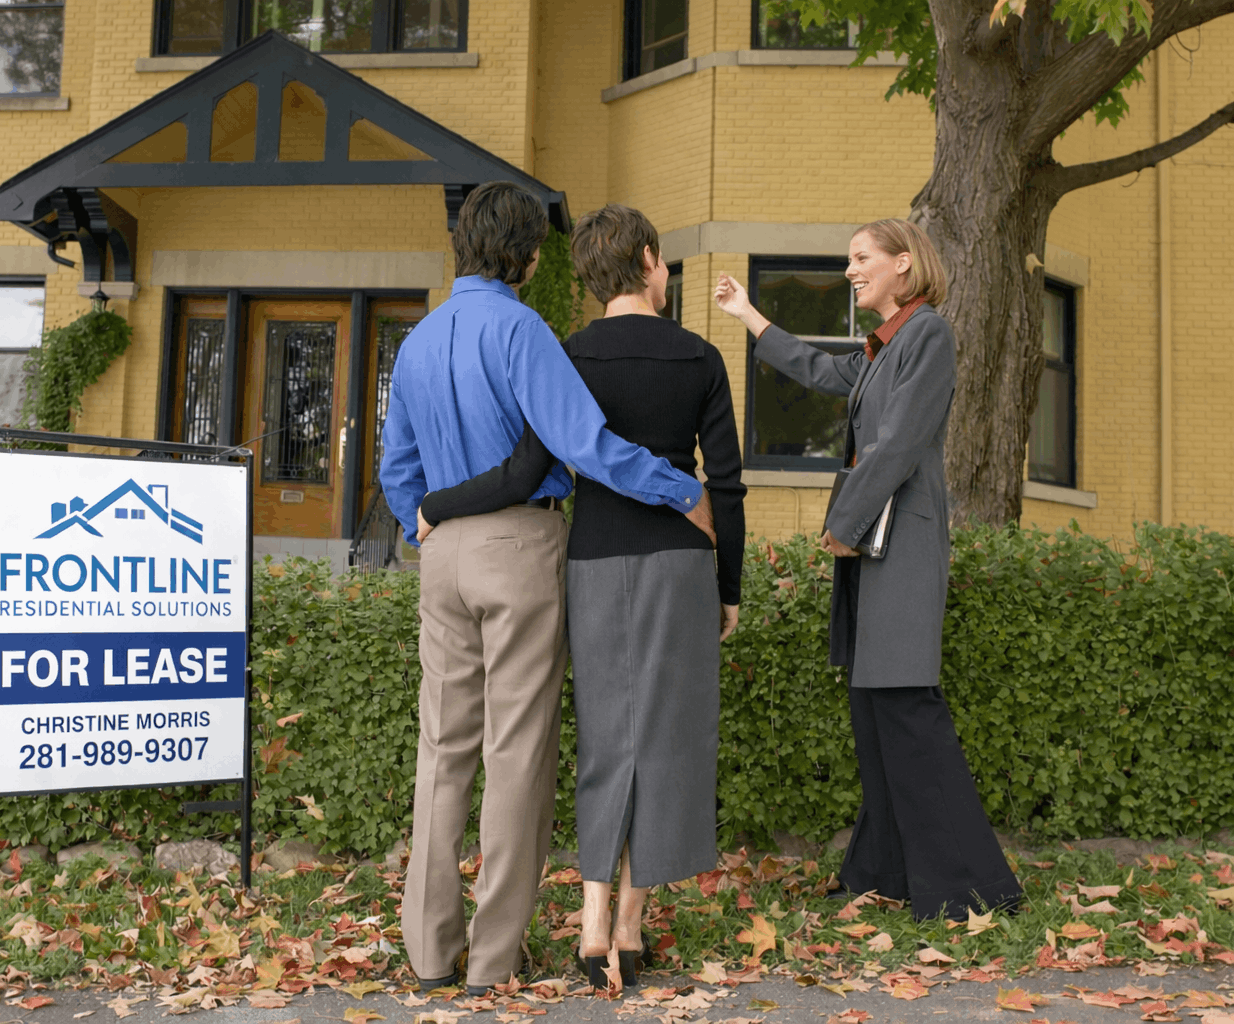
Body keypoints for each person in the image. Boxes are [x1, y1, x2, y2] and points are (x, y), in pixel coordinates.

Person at [379, 183, 714, 995]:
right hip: (519, 546)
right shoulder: (524, 330)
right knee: (516, 753)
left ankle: (428, 952)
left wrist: (423, 523)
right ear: (529, 258)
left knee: (442, 752)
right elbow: (587, 445)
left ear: (464, 248)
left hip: (442, 552)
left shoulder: (419, 340)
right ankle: (494, 958)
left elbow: (397, 470)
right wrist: (680, 489)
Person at [712, 219, 1023, 921]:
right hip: (875, 549)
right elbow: (822, 372)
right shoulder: (885, 347)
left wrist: (842, 527)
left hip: (897, 548)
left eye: (861, 258)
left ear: (903, 264)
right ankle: (882, 871)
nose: (850, 270)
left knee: (907, 709)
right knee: (876, 712)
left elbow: (898, 444)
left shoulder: (928, 335)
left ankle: (971, 890)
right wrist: (749, 315)